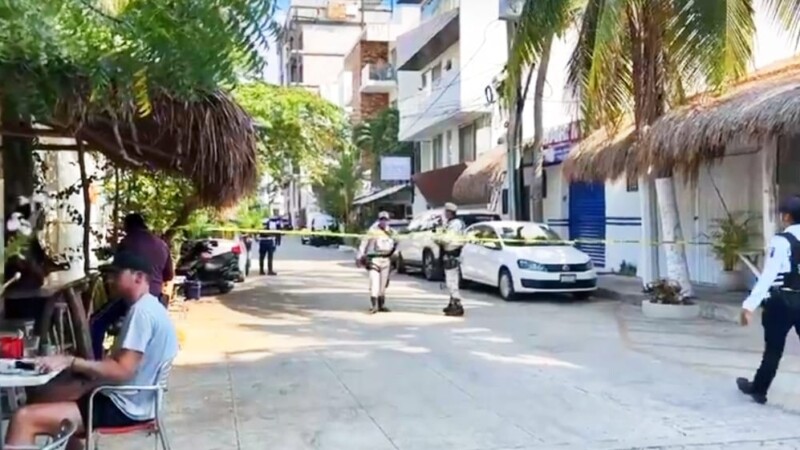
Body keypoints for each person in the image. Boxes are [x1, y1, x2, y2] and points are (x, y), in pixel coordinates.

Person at [4, 251, 179, 449]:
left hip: (123, 406)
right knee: (46, 397)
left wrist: (71, 362)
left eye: (117, 274)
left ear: (138, 277)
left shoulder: (142, 313)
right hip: (137, 401)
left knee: (23, 417)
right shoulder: (152, 307)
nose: (110, 280)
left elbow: (122, 371)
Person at [737, 195, 800, 404]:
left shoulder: (781, 241)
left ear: (787, 216)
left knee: (773, 349)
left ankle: (759, 390)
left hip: (781, 302)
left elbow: (768, 276)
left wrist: (749, 306)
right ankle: (757, 387)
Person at [90, 213, 173, 360]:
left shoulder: (127, 242)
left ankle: (94, 361)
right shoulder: (162, 245)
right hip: (156, 297)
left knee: (96, 322)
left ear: (128, 226)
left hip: (132, 296)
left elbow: (118, 270)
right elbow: (169, 275)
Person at [357, 211, 397, 314]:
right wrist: (360, 256)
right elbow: (364, 243)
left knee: (383, 285)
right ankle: (373, 305)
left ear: (388, 221)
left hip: (386, 260)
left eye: (385, 219)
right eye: (382, 219)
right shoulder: (372, 231)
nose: (384, 222)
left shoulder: (392, 232)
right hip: (374, 259)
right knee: (374, 283)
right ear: (379, 220)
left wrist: (395, 257)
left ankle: (381, 305)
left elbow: (396, 244)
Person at [435, 203, 466, 316]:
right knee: (451, 280)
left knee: (451, 281)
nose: (445, 214)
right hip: (450, 254)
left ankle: (457, 305)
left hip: (452, 254)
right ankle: (452, 303)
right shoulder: (451, 223)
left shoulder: (455, 224)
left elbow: (447, 239)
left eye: (446, 212)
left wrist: (438, 238)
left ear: (450, 212)